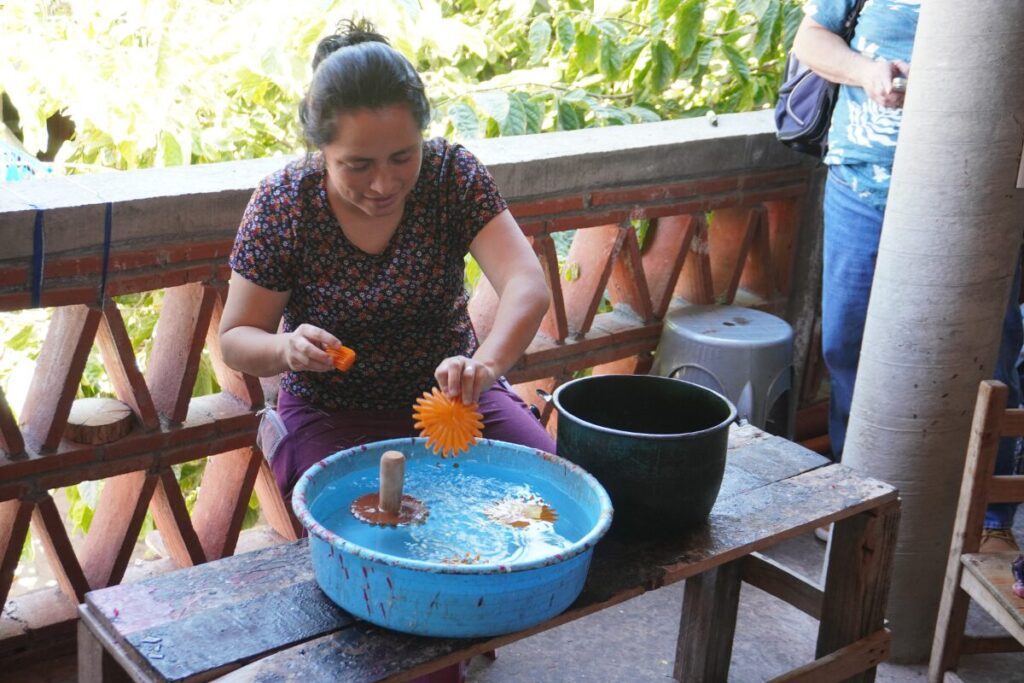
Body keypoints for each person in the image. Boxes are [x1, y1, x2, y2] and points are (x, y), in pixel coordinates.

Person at [220, 19, 554, 504]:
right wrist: (287, 348)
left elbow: (527, 284)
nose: (384, 184)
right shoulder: (285, 202)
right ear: (322, 149)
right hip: (331, 411)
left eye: (402, 157)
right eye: (358, 165)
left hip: (454, 401)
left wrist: (483, 367)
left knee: (545, 498)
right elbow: (235, 339)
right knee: (357, 525)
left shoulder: (451, 176)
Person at [793, 1, 1022, 551]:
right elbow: (812, 38)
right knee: (849, 343)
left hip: (984, 197)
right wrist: (868, 72)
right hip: (863, 184)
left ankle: (989, 517)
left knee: (990, 355)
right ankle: (860, 498)